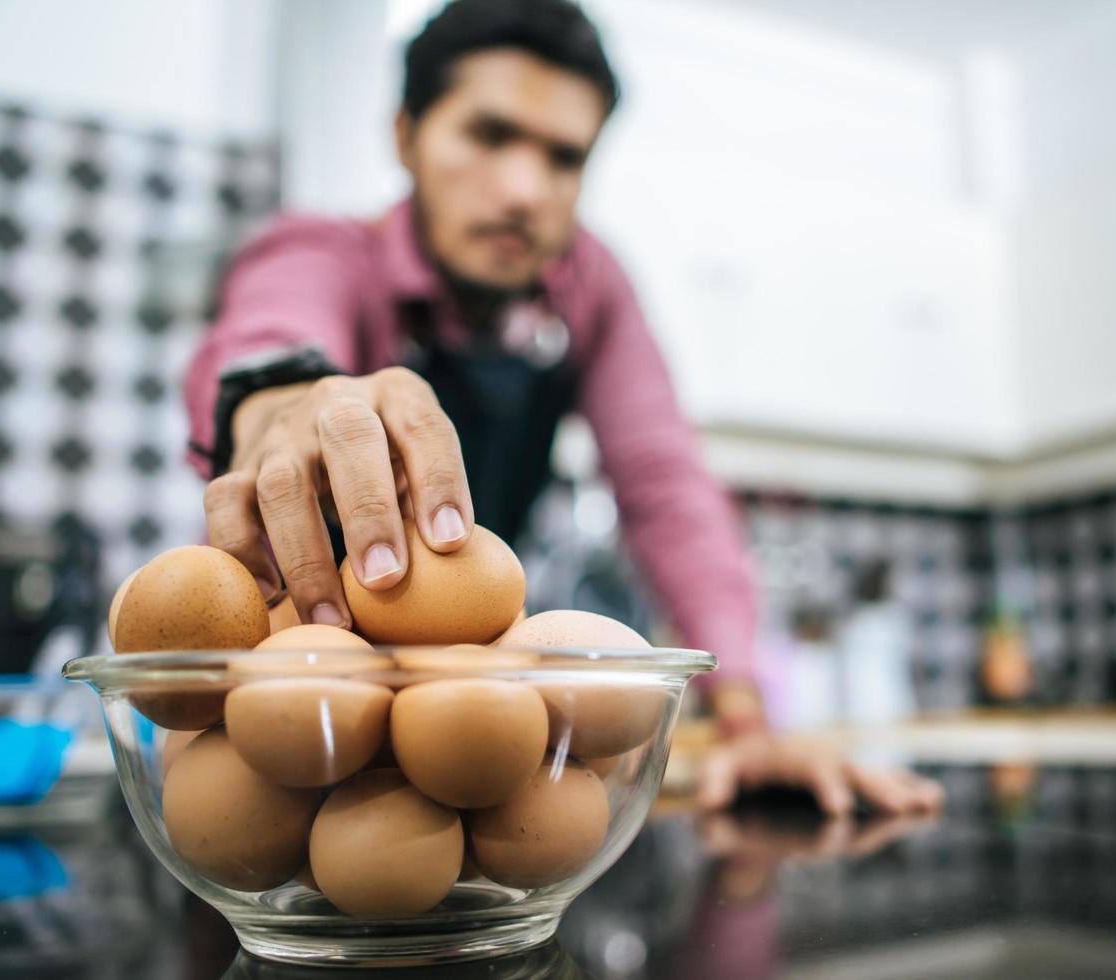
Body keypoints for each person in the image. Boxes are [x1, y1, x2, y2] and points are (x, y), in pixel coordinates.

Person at [183, 0, 939, 816]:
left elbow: (665, 485)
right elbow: (266, 343)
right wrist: (281, 408)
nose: (522, 190)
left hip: (459, 720)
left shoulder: (590, 289)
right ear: (405, 135)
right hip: (290, 714)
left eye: (563, 157)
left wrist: (746, 717)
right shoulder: (324, 251)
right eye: (488, 135)